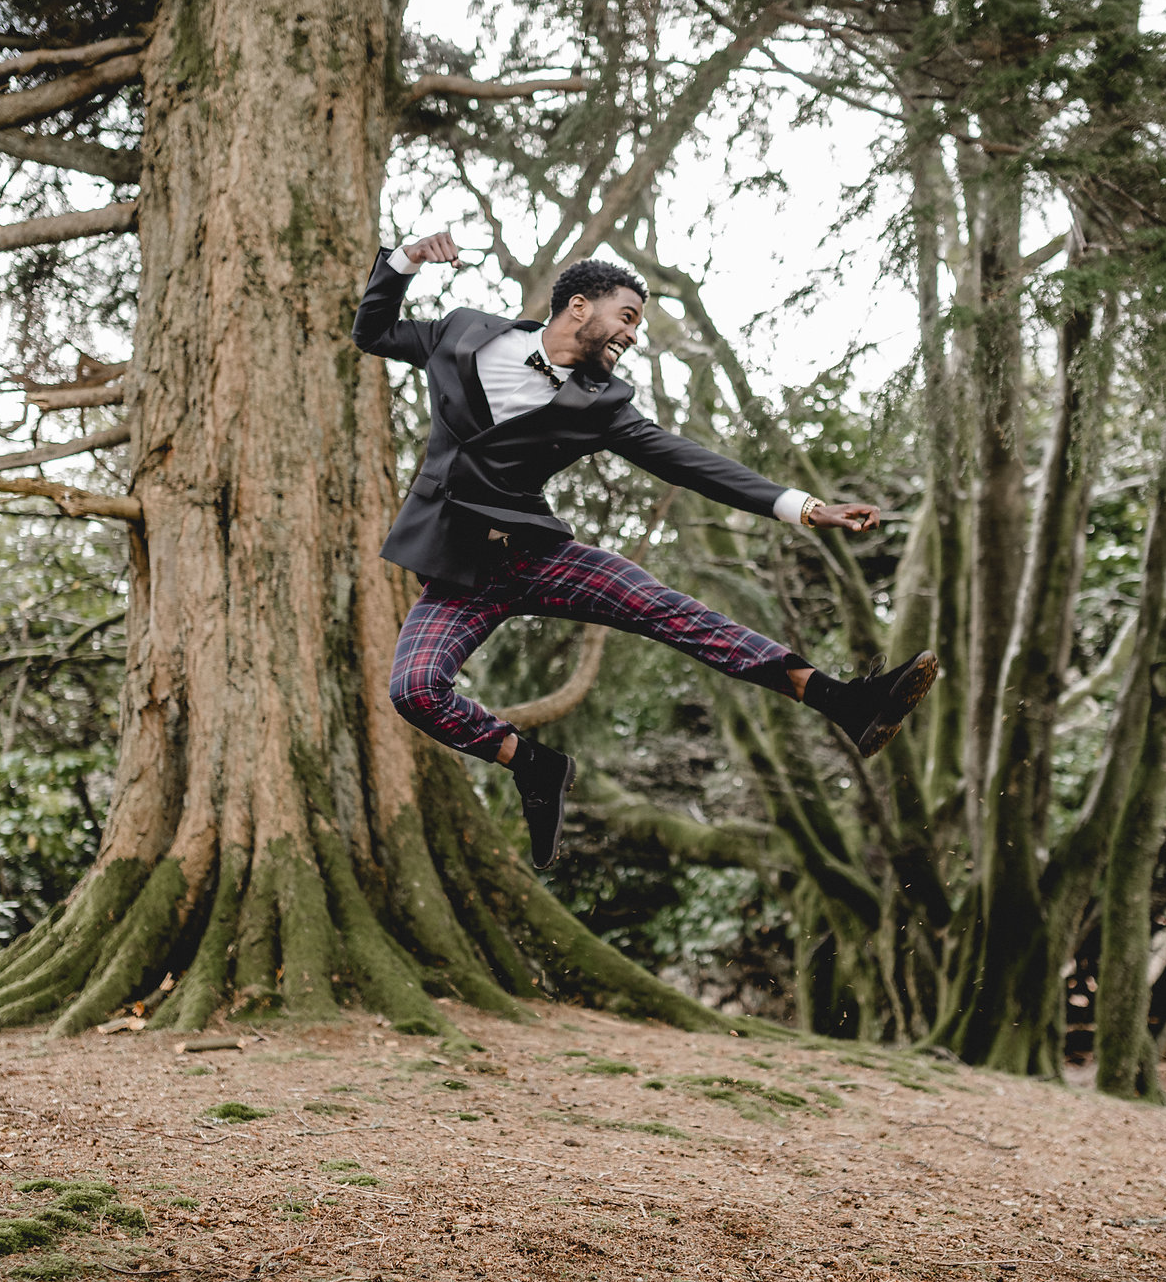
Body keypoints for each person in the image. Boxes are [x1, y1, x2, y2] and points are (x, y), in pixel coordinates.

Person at [356, 230, 937, 867]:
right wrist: (406, 258)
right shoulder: (464, 333)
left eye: (638, 325)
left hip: (537, 557)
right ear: (579, 306)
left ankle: (845, 701)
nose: (633, 335)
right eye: (627, 317)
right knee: (415, 690)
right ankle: (535, 766)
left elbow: (687, 462)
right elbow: (374, 332)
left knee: (666, 609)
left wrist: (802, 506)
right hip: (459, 570)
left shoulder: (602, 403)